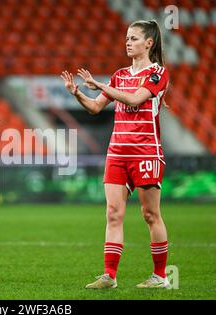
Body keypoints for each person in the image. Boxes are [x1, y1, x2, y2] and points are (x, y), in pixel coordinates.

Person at [60, 20, 171, 289]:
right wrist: (77, 94)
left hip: (146, 152)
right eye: (126, 38)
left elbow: (134, 99)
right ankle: (110, 276)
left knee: (149, 214)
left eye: (133, 38)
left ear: (149, 43)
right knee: (113, 213)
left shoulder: (158, 74)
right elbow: (95, 108)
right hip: (117, 153)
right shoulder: (119, 74)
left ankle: (160, 277)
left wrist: (99, 85)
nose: (128, 42)